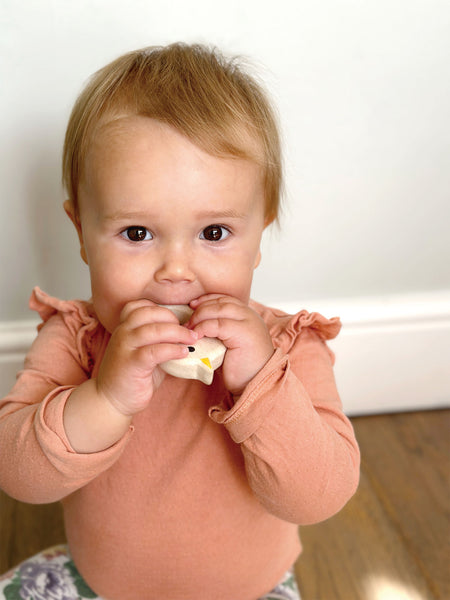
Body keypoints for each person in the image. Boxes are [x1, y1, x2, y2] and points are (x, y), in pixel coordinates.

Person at [0, 43, 360, 600]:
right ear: (80, 233)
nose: (175, 272)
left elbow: (319, 497)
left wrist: (259, 384)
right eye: (136, 234)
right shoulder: (75, 338)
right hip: (102, 583)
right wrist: (107, 398)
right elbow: (19, 475)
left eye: (214, 233)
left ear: (258, 233)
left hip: (250, 588)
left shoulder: (290, 346)